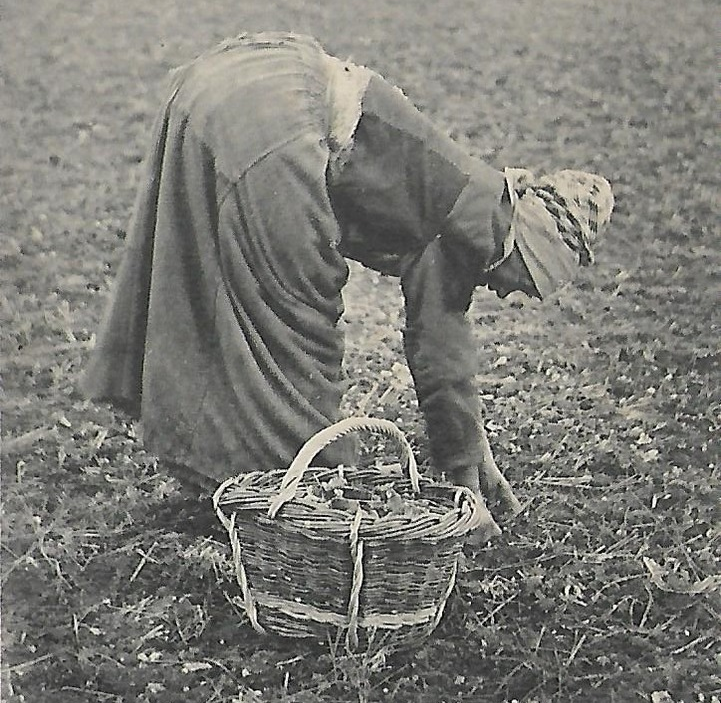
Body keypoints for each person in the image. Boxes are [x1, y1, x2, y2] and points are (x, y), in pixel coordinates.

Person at [82, 31, 613, 541]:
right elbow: (440, 342)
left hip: (242, 78)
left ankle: (218, 469)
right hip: (275, 129)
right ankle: (289, 498)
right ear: (523, 247)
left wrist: (469, 453)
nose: (508, 293)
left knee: (208, 286)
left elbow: (440, 341)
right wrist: (462, 480)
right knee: (296, 340)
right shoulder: (478, 226)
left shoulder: (477, 198)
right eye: (525, 282)